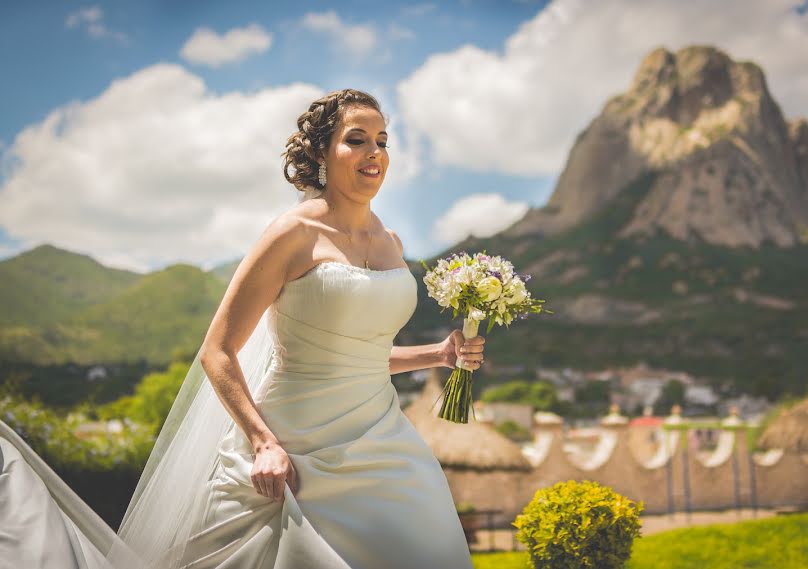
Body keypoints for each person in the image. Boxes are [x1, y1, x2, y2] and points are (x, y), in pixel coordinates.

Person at [1, 89, 486, 569]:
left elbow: (356, 356)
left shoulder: (392, 243)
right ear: (321, 152)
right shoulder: (292, 234)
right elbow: (218, 350)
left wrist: (438, 354)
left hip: (383, 445)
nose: (374, 153)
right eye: (356, 140)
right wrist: (263, 442)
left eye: (382, 141)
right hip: (295, 451)